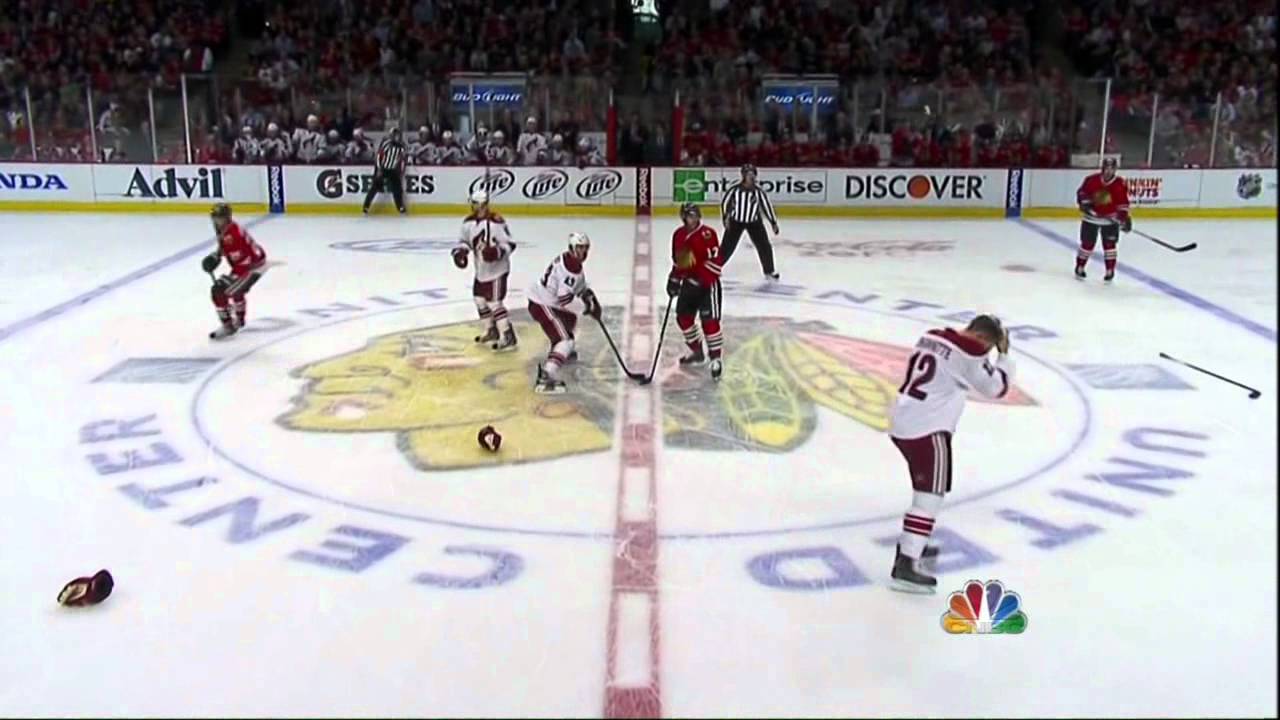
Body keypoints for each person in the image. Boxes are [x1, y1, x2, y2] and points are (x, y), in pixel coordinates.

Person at [887, 314, 1013, 593]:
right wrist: (1003, 357)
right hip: (928, 428)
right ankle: (907, 563)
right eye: (990, 345)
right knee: (929, 497)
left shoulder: (931, 335)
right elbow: (997, 388)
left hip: (903, 418)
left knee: (928, 489)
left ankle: (912, 546)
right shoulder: (971, 354)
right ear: (982, 339)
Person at [526, 233, 600, 394]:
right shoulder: (571, 267)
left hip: (545, 300)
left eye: (585, 248)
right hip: (543, 303)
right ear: (572, 248)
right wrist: (586, 307)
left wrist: (586, 295)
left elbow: (577, 286)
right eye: (579, 248)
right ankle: (546, 375)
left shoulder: (570, 261)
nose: (583, 252)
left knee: (569, 319)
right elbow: (564, 299)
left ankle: (560, 352)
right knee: (565, 340)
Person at [452, 190, 517, 351]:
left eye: (479, 204)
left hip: (498, 270)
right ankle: (491, 330)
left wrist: (497, 252)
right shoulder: (468, 222)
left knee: (494, 303)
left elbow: (510, 244)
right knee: (479, 300)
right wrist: (460, 252)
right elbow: (464, 241)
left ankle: (508, 335)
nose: (477, 208)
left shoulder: (496, 222)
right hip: (481, 270)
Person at [667, 202, 725, 381]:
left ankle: (715, 358)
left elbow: (716, 262)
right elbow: (679, 261)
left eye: (696, 215)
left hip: (708, 286)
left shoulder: (707, 234)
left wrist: (701, 278)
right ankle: (697, 351)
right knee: (683, 318)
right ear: (684, 217)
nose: (694, 219)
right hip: (689, 286)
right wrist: (674, 279)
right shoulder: (679, 235)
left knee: (710, 321)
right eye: (690, 216)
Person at [203, 203, 268, 340]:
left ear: (227, 217)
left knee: (219, 290)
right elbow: (224, 247)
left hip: (251, 266)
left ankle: (229, 325)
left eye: (220, 217)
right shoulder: (229, 228)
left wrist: (218, 260)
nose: (216, 220)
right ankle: (239, 319)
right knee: (234, 288)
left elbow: (239, 259)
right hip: (252, 262)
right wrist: (216, 255)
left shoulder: (232, 236)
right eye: (215, 217)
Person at [719, 164, 780, 281]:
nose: (751, 177)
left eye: (753, 174)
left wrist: (773, 222)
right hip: (736, 221)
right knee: (727, 247)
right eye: (748, 174)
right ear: (743, 176)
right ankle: (715, 268)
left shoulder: (758, 192)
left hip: (754, 222)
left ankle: (769, 271)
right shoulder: (735, 189)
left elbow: (766, 206)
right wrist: (725, 218)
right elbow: (725, 203)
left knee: (764, 246)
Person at [1075, 157, 1132, 282]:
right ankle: (1080, 266)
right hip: (1091, 218)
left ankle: (1110, 270)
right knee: (1087, 245)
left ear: (1115, 170)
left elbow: (1123, 202)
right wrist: (1085, 203)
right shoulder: (1091, 180)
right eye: (1107, 168)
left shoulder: (1119, 184)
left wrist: (1123, 218)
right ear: (1103, 168)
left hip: (1110, 220)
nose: (1109, 171)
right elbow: (1081, 193)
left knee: (1109, 245)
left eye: (1112, 169)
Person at [363, 125, 408, 215]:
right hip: (383, 168)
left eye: (398, 135)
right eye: (395, 135)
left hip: (393, 170)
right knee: (374, 187)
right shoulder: (386, 144)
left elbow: (402, 159)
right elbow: (379, 156)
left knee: (398, 189)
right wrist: (379, 169)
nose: (396, 137)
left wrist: (401, 171)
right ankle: (366, 206)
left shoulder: (402, 147)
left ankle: (400, 207)